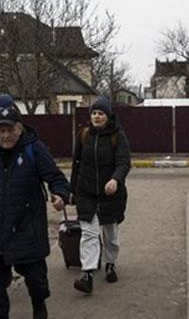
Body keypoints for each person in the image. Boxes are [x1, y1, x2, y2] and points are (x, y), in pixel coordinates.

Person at [0, 104, 70, 319]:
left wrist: (60, 195)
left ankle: (39, 305)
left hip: (26, 228)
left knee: (37, 282)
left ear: (20, 129)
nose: (6, 135)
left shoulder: (34, 149)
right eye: (2, 130)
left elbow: (56, 177)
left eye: (10, 130)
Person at [69, 96, 131, 294]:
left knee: (110, 234)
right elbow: (76, 163)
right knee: (88, 233)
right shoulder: (84, 134)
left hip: (110, 194)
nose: (96, 116)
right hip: (86, 192)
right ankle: (87, 274)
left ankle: (110, 263)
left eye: (101, 113)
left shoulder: (117, 136)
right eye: (94, 113)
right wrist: (72, 190)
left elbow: (123, 162)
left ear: (108, 116)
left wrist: (115, 179)